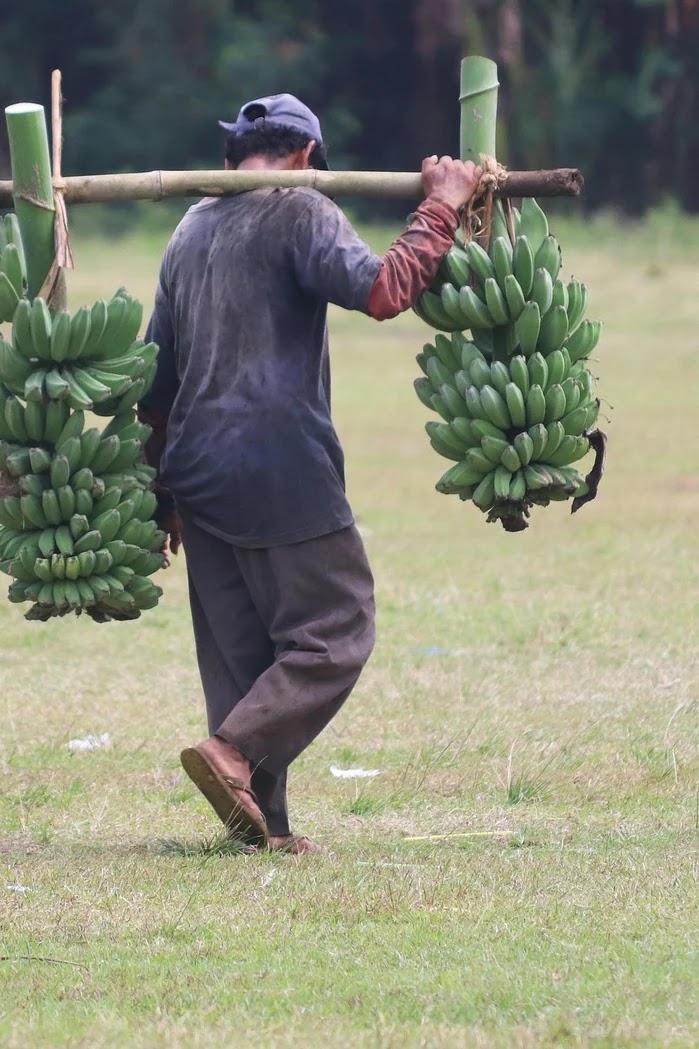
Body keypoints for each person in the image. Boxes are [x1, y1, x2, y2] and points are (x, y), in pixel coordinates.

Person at [138, 93, 482, 854]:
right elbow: (384, 290)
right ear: (302, 157)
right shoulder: (299, 208)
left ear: (235, 155)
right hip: (280, 463)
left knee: (242, 655)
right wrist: (442, 206)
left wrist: (159, 496)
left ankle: (266, 826)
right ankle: (230, 752)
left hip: (196, 471)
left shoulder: (187, 230)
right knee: (336, 629)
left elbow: (155, 388)